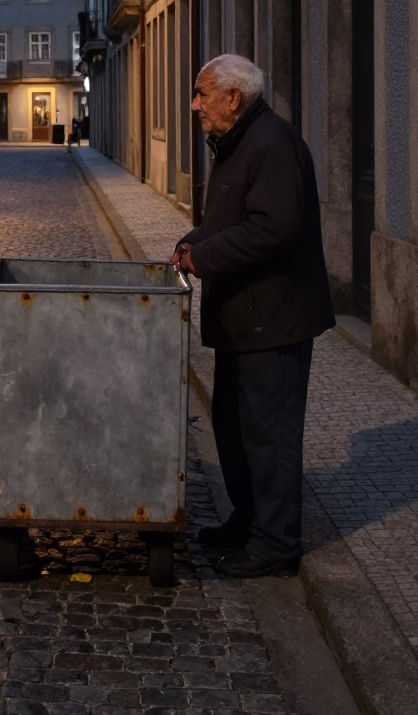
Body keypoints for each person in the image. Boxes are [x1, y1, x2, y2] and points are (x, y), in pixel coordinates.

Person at [171, 54, 334, 578]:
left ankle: (276, 542)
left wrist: (206, 257)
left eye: (202, 93)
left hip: (274, 320)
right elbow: (230, 219)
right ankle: (248, 520)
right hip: (245, 321)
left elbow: (272, 229)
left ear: (232, 97)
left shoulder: (273, 142)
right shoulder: (238, 142)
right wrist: (193, 241)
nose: (195, 105)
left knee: (270, 434)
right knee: (236, 427)